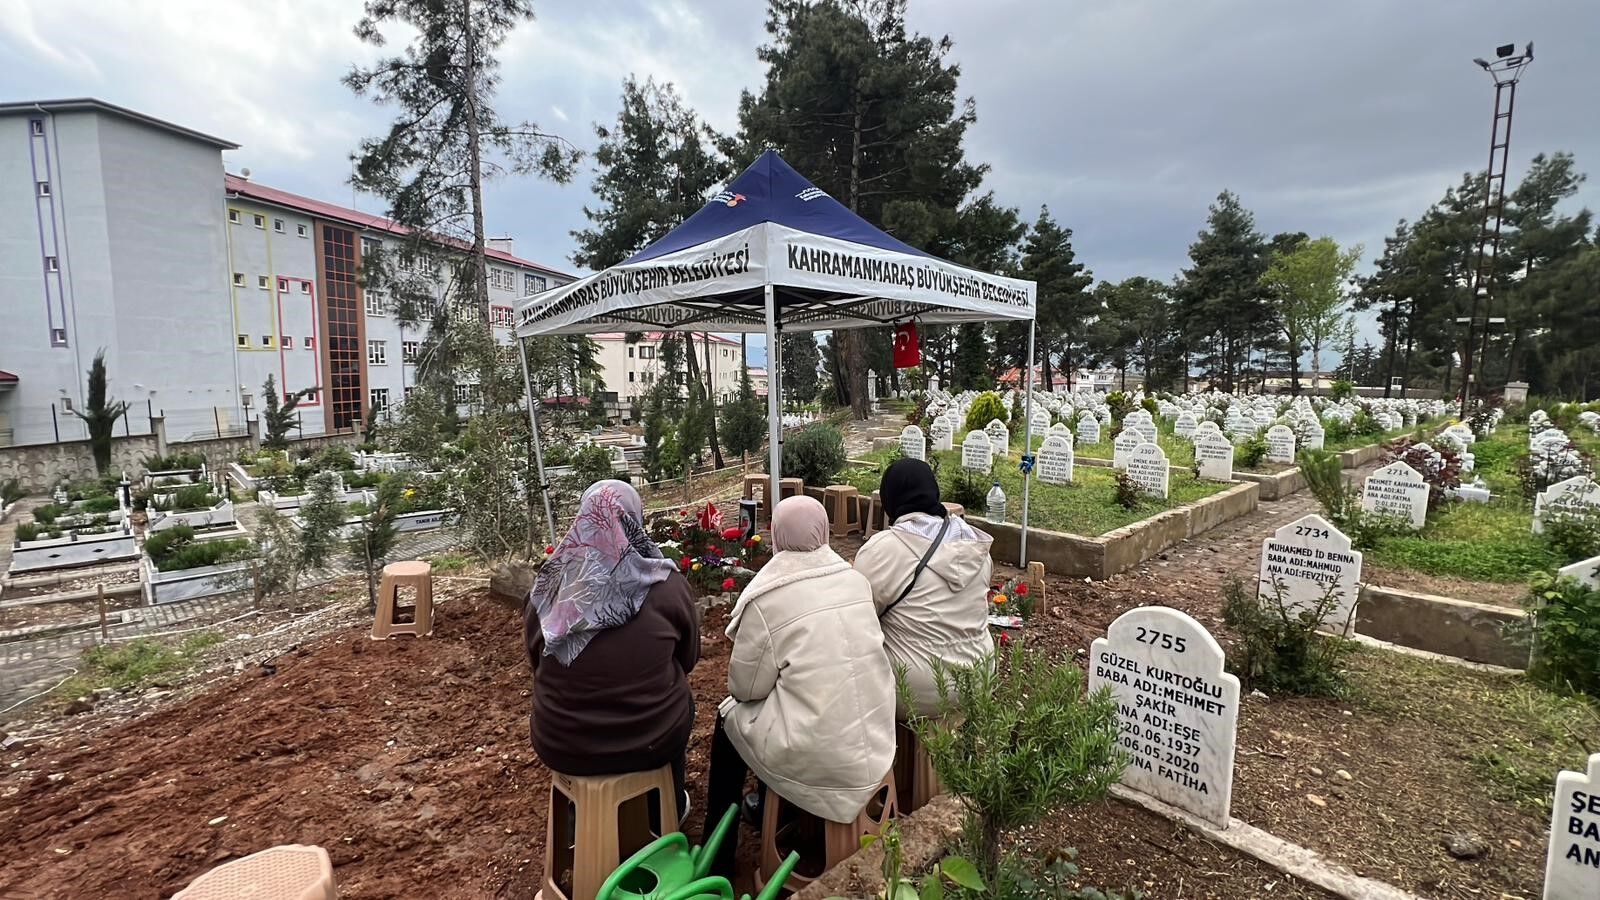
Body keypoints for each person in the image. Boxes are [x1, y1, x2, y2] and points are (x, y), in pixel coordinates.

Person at [705, 496, 896, 870]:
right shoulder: (856, 581)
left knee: (730, 723)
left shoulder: (767, 598)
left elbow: (744, 690)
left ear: (776, 535)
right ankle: (781, 807)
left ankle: (720, 852)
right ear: (823, 531)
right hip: (875, 739)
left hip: (819, 754)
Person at [524, 480, 699, 820]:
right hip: (651, 739)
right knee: (683, 703)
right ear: (636, 519)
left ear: (583, 520)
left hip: (562, 742)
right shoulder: (666, 587)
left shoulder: (549, 588)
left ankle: (578, 820)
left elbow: (536, 661)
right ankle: (667, 808)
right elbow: (688, 659)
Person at [853, 458, 994, 718]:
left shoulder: (883, 549)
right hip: (978, 677)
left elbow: (857, 618)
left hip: (913, 690)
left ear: (889, 500)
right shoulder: (975, 544)